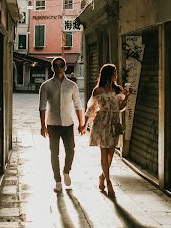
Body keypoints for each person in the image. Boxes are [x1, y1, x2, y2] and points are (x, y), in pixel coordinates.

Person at [80, 63, 132, 197]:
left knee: (111, 154)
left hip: (114, 123)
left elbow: (120, 107)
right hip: (101, 123)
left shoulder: (118, 89)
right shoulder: (97, 90)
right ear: (109, 74)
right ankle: (109, 183)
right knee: (104, 153)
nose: (117, 74)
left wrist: (126, 97)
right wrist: (85, 125)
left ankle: (102, 176)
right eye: (115, 72)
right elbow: (91, 109)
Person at [39, 56, 83, 192]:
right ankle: (57, 180)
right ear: (52, 68)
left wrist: (81, 123)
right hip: (52, 124)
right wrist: (43, 126)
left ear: (65, 67)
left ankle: (66, 171)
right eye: (56, 65)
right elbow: (42, 107)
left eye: (61, 65)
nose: (58, 67)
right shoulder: (46, 86)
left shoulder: (72, 85)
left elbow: (77, 105)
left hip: (68, 124)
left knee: (71, 150)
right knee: (54, 153)